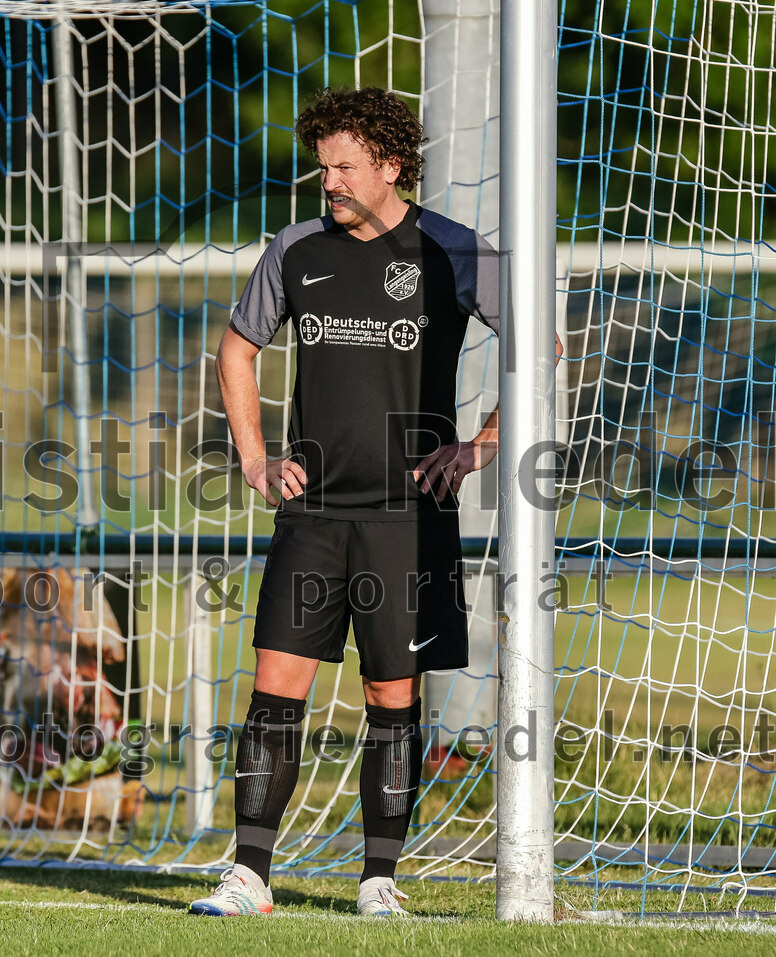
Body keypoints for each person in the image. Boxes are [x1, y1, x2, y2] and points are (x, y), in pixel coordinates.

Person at [190, 87, 558, 918]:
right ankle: (249, 874)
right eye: (323, 168)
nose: (331, 183)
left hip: (408, 518)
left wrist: (480, 446)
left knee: (392, 695)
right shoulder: (295, 248)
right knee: (274, 685)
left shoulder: (456, 251)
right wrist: (254, 457)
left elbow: (540, 352)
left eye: (345, 167)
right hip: (312, 516)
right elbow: (237, 350)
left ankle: (378, 881)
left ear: (390, 166)